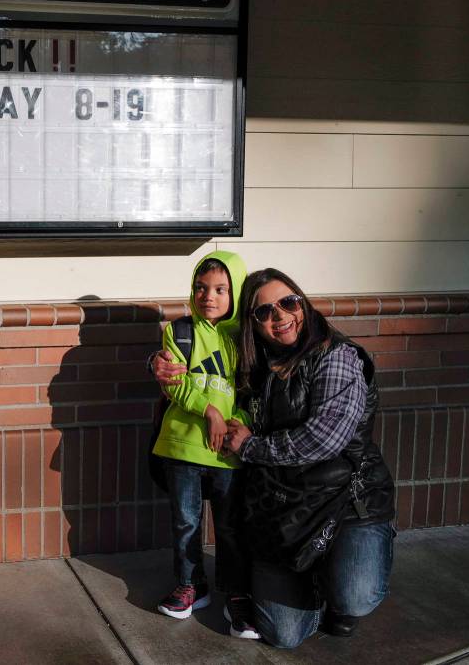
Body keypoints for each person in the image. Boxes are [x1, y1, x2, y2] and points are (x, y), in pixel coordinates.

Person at [219, 268, 396, 648]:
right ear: (253, 324)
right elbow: (198, 349)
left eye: (287, 302)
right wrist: (161, 366)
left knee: (356, 595)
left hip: (346, 501)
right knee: (284, 635)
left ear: (302, 302)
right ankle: (312, 578)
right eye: (264, 311)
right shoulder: (254, 362)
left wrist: (250, 447)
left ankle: (342, 576)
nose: (279, 316)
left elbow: (324, 439)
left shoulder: (337, 356)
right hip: (281, 510)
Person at [150, 251, 259, 640]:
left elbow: (253, 395)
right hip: (182, 448)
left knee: (231, 527)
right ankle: (190, 585)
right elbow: (174, 381)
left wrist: (237, 424)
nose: (208, 296)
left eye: (220, 289)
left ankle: (237, 595)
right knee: (186, 523)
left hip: (229, 452)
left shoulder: (247, 339)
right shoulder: (179, 332)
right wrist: (208, 409)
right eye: (200, 287)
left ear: (237, 292)